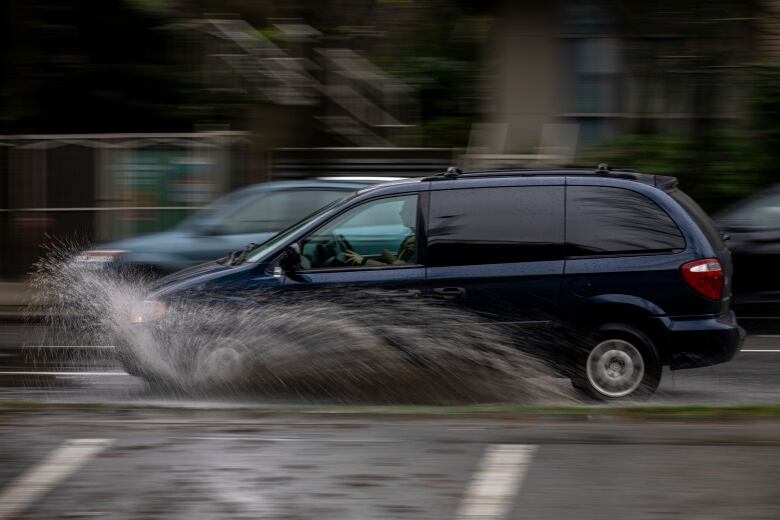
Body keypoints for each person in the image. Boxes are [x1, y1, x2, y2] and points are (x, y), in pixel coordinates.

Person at [343, 199, 416, 266]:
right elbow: (401, 261)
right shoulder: (415, 236)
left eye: (404, 209)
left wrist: (363, 260)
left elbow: (395, 269)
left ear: (413, 213)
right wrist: (385, 252)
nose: (400, 213)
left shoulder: (415, 240)